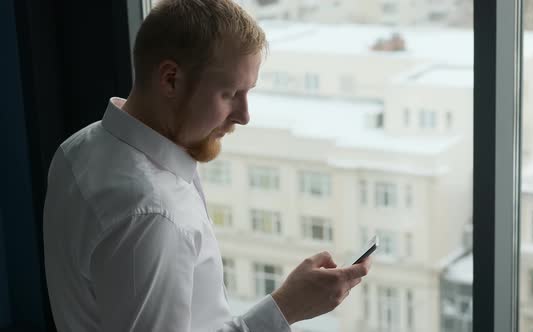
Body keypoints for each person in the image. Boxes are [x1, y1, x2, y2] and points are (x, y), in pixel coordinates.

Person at [43, 0, 372, 331]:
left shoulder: (79, 147)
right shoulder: (152, 214)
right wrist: (286, 308)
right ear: (170, 80)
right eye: (230, 94)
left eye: (248, 92)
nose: (244, 116)